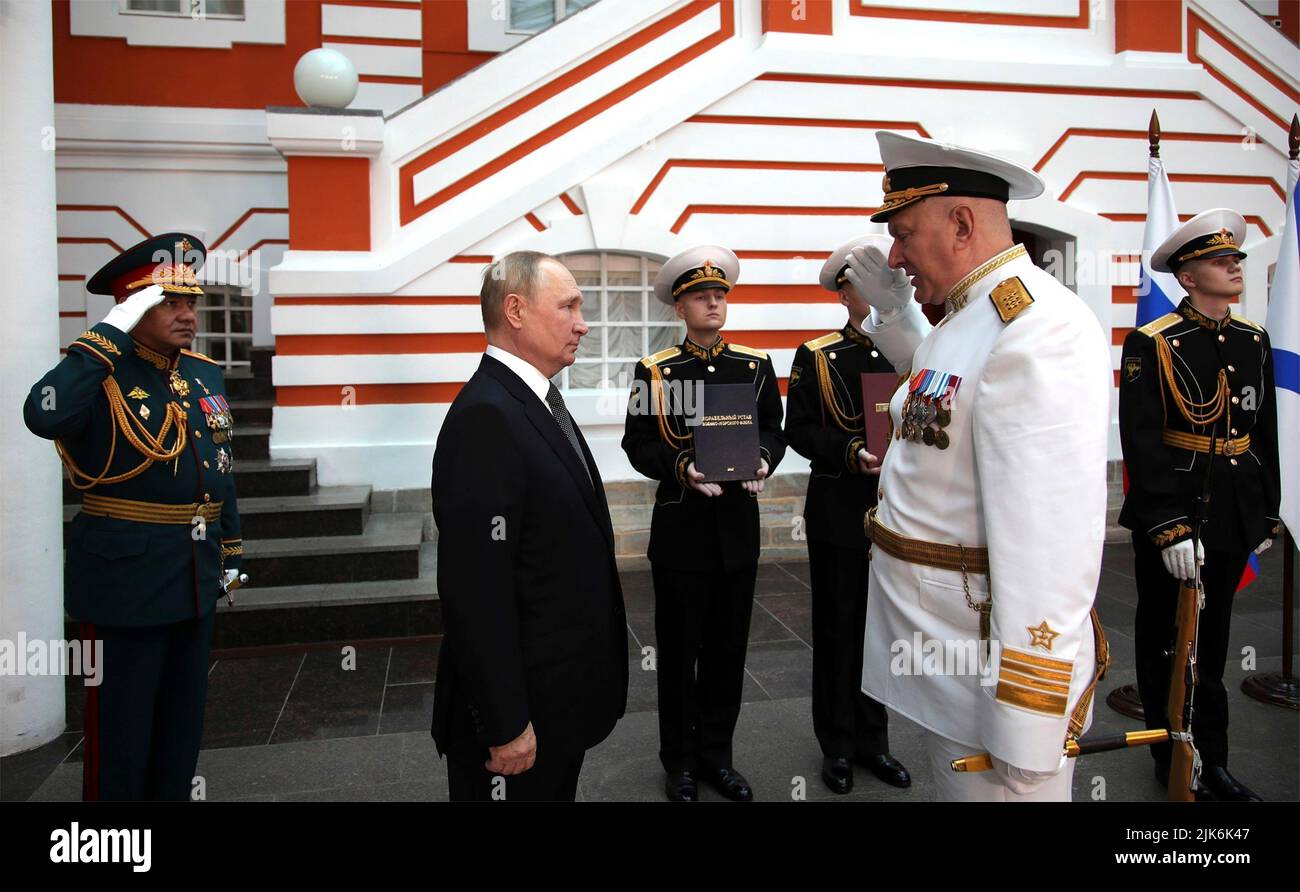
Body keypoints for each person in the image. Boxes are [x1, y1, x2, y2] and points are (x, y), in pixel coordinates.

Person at [846, 132, 1112, 801]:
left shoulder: (1040, 328)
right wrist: (893, 311)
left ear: (961, 223)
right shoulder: (979, 311)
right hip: (949, 655)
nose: (898, 255)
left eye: (905, 234)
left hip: (994, 679)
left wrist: (1028, 717)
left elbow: (1048, 544)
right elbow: (946, 392)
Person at [23, 233, 243, 801]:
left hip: (193, 579)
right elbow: (41, 415)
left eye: (191, 302)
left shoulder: (203, 373)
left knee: (179, 733)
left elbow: (218, 470)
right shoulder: (98, 373)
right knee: (121, 741)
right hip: (127, 583)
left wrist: (230, 554)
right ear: (133, 306)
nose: (188, 314)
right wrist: (110, 334)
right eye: (170, 302)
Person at [430, 251, 628, 802]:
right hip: (520, 727)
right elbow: (475, 589)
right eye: (567, 306)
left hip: (556, 705)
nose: (582, 322)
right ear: (515, 310)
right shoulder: (488, 416)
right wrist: (505, 723)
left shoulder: (532, 400)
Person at [1118, 208, 1279, 802]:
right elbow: (1142, 439)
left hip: (1234, 508)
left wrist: (1264, 508)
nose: (1234, 267)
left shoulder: (1251, 339)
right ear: (1187, 278)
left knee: (1212, 644)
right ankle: (1171, 757)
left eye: (1236, 259)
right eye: (1220, 260)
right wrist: (1167, 526)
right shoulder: (1154, 343)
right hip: (1177, 510)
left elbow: (1263, 430)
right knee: (1167, 639)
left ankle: (1214, 760)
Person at [621, 245, 786, 801]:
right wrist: (681, 466)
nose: (713, 302)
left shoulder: (754, 366)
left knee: (728, 652)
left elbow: (773, 429)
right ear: (679, 306)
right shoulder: (657, 372)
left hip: (737, 531)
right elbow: (637, 443)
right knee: (679, 654)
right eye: (701, 295)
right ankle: (680, 763)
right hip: (682, 536)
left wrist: (765, 457)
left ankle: (718, 756)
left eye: (720, 294)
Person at [784, 235, 911, 794]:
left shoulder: (909, 351)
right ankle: (836, 744)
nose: (876, 286)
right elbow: (800, 428)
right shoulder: (818, 356)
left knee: (883, 631)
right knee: (839, 628)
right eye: (862, 279)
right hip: (840, 505)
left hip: (898, 509)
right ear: (844, 294)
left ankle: (874, 741)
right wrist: (845, 451)